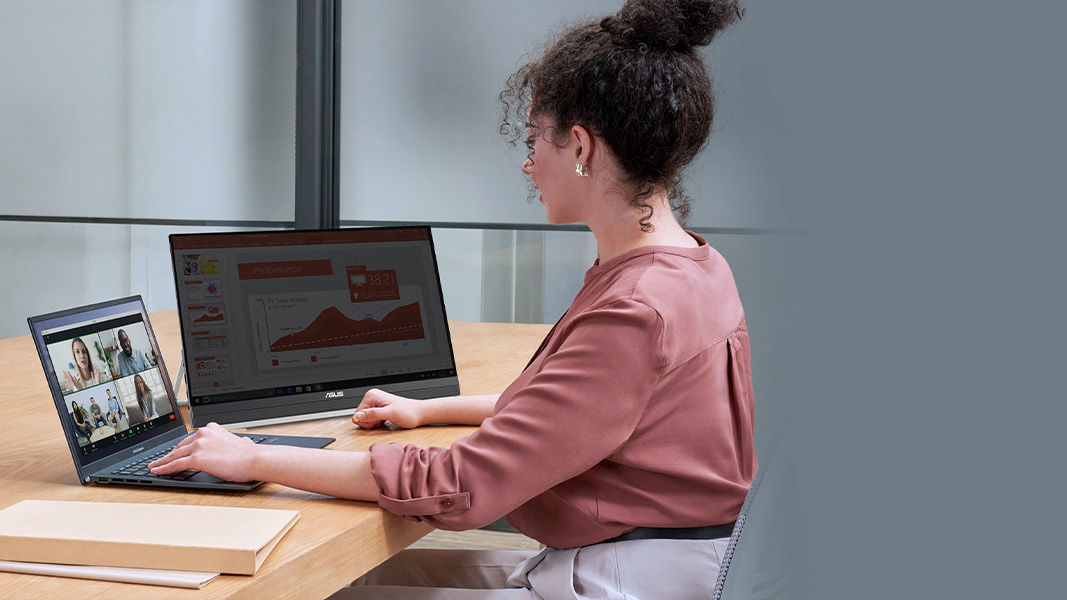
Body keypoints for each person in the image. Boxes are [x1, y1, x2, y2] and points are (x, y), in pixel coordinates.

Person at [150, 1, 754, 597]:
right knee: (356, 581)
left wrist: (253, 456)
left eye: (533, 141)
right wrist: (428, 409)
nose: (527, 165)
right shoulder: (693, 267)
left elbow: (458, 484)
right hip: (649, 560)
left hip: (618, 580)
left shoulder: (637, 310)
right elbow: (572, 411)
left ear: (581, 147)